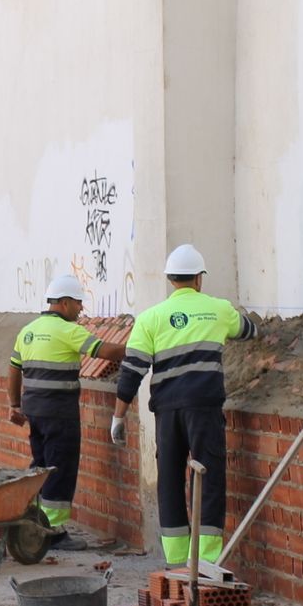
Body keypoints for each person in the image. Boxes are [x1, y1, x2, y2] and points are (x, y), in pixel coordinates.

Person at [111, 244, 256, 569]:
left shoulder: (150, 318)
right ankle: (205, 561)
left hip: (167, 411)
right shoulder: (218, 309)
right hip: (204, 407)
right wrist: (256, 328)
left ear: (170, 280)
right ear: (199, 279)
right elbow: (246, 330)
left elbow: (131, 371)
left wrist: (118, 417)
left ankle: (177, 560)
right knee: (209, 476)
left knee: (170, 478)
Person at [8, 275, 126, 550]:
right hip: (60, 414)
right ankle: (54, 533)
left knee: (40, 467)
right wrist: (140, 349)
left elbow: (13, 368)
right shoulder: (68, 331)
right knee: (60, 470)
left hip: (34, 412)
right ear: (63, 303)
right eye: (77, 302)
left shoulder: (28, 331)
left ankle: (33, 523)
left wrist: (14, 405)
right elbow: (106, 352)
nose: (81, 308)